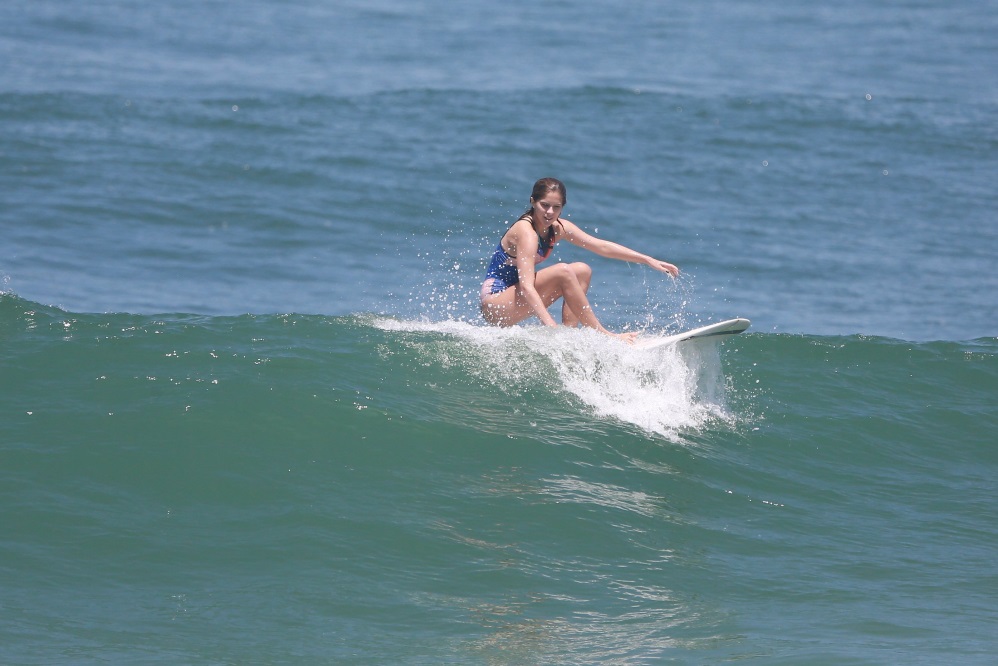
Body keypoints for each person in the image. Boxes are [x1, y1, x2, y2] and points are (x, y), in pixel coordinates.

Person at [479, 177, 679, 342]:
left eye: (556, 207)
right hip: (496, 305)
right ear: (532, 202)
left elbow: (600, 246)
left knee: (582, 270)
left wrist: (647, 259)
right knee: (563, 271)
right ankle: (606, 335)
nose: (549, 212)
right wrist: (550, 326)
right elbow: (527, 286)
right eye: (544, 205)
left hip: (516, 298)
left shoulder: (557, 228)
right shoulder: (527, 232)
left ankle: (570, 336)